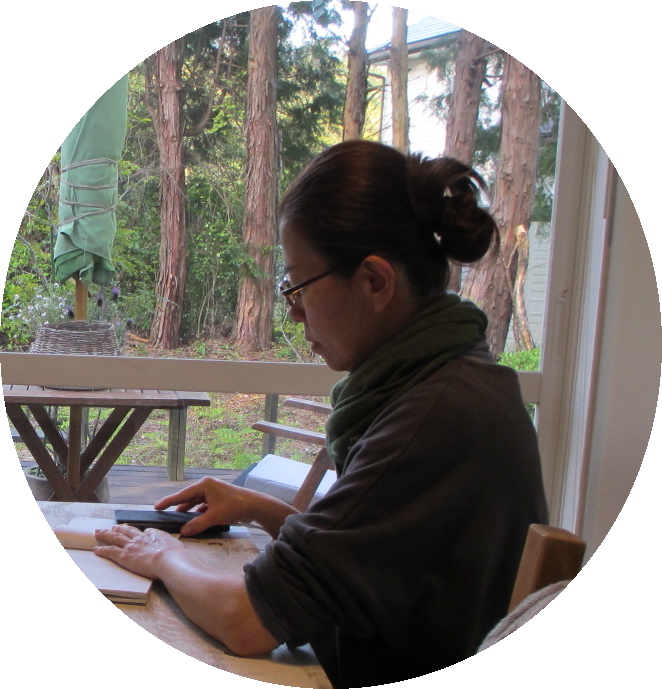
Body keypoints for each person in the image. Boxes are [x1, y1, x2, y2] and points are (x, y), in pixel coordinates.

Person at [95, 140, 548, 688]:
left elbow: (244, 620)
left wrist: (162, 554)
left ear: (375, 281)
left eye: (299, 286)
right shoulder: (454, 377)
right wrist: (256, 506)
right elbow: (359, 556)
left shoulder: (432, 420)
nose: (293, 312)